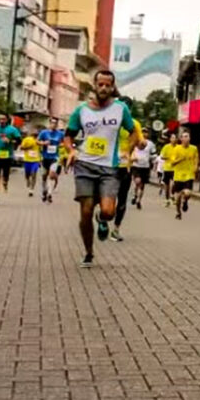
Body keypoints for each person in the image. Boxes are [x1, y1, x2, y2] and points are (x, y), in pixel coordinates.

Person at [62, 69, 139, 267]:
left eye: (108, 85)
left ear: (113, 87)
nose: (104, 88)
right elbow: (68, 135)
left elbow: (133, 133)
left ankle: (102, 218)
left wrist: (126, 151)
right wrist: (71, 151)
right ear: (94, 86)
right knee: (85, 211)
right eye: (100, 85)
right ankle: (89, 252)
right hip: (85, 165)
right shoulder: (82, 111)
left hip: (109, 168)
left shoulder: (121, 108)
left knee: (108, 211)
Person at [111, 96, 144, 242]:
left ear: (129, 110)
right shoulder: (110, 122)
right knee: (107, 198)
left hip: (125, 167)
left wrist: (141, 143)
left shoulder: (134, 124)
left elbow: (140, 141)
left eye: (125, 108)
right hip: (109, 166)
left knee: (122, 200)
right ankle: (103, 216)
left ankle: (116, 229)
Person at [0, 114, 21, 205]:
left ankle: (5, 183)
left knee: (5, 176)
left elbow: (19, 141)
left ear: (7, 120)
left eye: (3, 119)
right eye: (0, 119)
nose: (1, 120)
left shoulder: (12, 129)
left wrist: (10, 141)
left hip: (7, 156)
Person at [169, 130, 199, 220]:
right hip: (178, 175)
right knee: (177, 198)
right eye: (184, 136)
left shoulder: (194, 148)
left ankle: (185, 201)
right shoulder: (176, 149)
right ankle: (178, 212)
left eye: (187, 136)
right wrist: (180, 159)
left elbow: (196, 159)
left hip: (189, 175)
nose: (186, 138)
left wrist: (196, 167)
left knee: (187, 193)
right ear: (181, 139)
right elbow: (172, 163)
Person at [37, 117, 65, 203]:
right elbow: (37, 141)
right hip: (45, 157)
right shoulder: (44, 133)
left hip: (54, 157)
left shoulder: (60, 133)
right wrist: (43, 143)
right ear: (49, 124)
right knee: (44, 176)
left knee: (51, 174)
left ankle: (49, 194)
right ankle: (44, 190)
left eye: (55, 123)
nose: (54, 125)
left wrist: (61, 145)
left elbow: (64, 142)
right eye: (52, 123)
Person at [130, 129, 156, 210]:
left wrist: (153, 160)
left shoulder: (151, 144)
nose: (145, 134)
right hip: (136, 165)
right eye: (143, 132)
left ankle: (138, 201)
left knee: (142, 185)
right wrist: (132, 158)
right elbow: (130, 151)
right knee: (137, 181)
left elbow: (153, 154)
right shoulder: (135, 141)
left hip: (145, 166)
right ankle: (135, 195)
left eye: (146, 132)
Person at [20, 128, 43, 197]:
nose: (35, 133)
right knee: (27, 174)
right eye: (34, 132)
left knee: (33, 174)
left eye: (37, 133)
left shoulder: (39, 141)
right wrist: (28, 147)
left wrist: (41, 159)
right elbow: (21, 148)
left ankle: (31, 190)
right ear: (31, 133)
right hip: (27, 160)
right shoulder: (26, 139)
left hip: (35, 160)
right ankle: (27, 180)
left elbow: (41, 150)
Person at [159, 132, 178, 206]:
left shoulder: (178, 147)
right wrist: (168, 158)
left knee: (174, 184)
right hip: (167, 168)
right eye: (172, 138)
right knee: (167, 186)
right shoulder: (166, 147)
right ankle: (167, 200)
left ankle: (172, 194)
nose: (174, 139)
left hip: (175, 169)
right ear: (170, 139)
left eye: (175, 138)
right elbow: (162, 156)